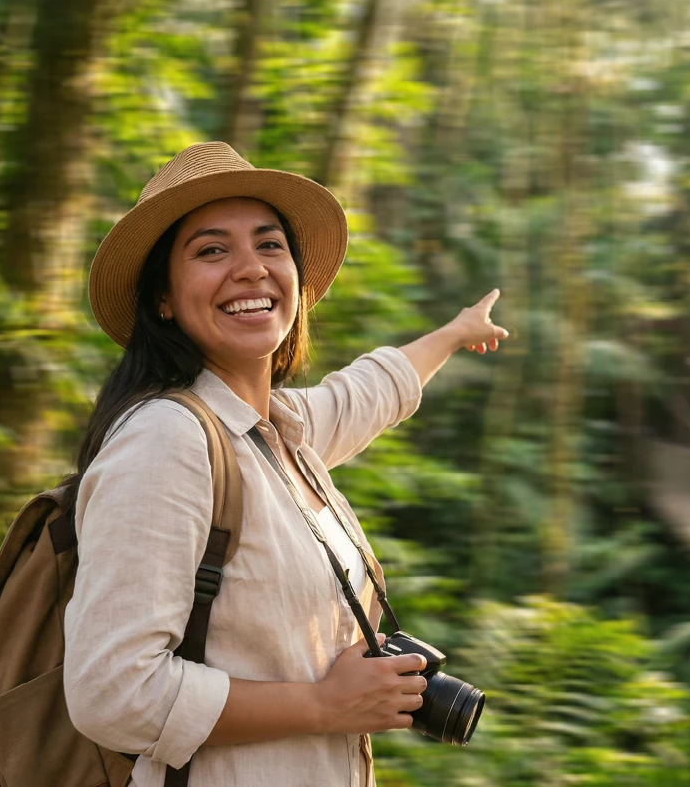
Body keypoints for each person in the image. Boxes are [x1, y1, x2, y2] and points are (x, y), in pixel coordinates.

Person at [63, 141, 509, 787]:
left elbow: (368, 392)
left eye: (270, 246)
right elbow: (111, 691)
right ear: (162, 298)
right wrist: (325, 705)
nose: (251, 269)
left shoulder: (279, 437)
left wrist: (452, 334)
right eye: (212, 250)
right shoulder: (167, 441)